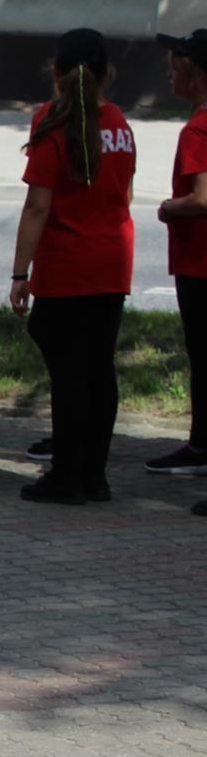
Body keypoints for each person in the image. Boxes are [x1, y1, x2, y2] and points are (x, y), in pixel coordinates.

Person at [8, 30, 135, 506]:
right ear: (106, 74)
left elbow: (37, 206)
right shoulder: (120, 122)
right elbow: (123, 193)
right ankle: (94, 476)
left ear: (56, 74)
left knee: (68, 374)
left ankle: (66, 478)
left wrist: (20, 273)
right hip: (112, 261)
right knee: (99, 371)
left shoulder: (51, 122)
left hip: (67, 266)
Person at [148, 28, 207, 506]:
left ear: (193, 73)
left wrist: (170, 207)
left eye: (174, 67)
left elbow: (202, 199)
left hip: (201, 261)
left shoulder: (198, 129)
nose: (169, 75)